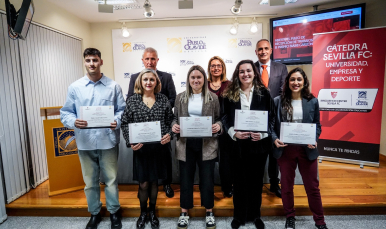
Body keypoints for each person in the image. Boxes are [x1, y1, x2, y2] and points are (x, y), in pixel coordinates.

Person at [60, 48, 125, 229]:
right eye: (88, 60)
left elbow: (122, 110)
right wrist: (74, 121)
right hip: (85, 142)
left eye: (95, 60)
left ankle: (114, 212)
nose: (92, 64)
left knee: (111, 180)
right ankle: (94, 213)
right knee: (90, 181)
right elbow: (65, 113)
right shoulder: (75, 87)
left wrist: (116, 121)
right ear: (84, 62)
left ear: (101, 62)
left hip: (108, 140)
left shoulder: (113, 86)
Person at [272, 67, 328, 229]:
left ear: (304, 82)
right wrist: (275, 139)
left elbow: (317, 125)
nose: (295, 83)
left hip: (307, 149)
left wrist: (314, 138)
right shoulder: (278, 101)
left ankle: (320, 221)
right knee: (287, 187)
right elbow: (272, 125)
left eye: (299, 79)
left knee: (312, 187)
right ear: (287, 82)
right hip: (286, 150)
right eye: (292, 79)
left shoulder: (313, 101)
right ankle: (290, 216)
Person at [222, 60, 275, 229]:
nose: (245, 74)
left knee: (256, 182)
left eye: (248, 71)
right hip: (237, 145)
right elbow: (225, 117)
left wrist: (264, 133)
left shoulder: (264, 93)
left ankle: (255, 215)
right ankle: (239, 216)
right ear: (237, 74)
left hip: (258, 145)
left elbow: (271, 118)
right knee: (239, 182)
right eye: (242, 71)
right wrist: (233, 132)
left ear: (254, 73)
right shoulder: (229, 94)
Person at [121, 68, 174, 229]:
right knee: (143, 183)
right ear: (140, 82)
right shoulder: (132, 101)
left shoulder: (163, 99)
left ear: (157, 82)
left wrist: (170, 134)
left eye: (152, 79)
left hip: (159, 148)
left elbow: (171, 120)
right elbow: (124, 123)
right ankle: (143, 213)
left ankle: (152, 213)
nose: (149, 82)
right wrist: (130, 141)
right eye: (145, 80)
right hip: (141, 150)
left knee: (154, 183)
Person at [172, 65, 222, 229]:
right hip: (185, 144)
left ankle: (209, 212)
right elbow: (173, 119)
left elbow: (220, 118)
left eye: (199, 77)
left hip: (206, 144)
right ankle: (184, 212)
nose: (195, 80)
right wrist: (174, 126)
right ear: (188, 79)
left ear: (204, 79)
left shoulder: (213, 98)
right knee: (185, 179)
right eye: (192, 77)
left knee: (207, 179)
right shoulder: (180, 97)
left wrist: (218, 126)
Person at [127, 47, 177, 198]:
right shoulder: (135, 77)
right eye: (147, 59)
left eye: (153, 58)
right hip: (142, 128)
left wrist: (158, 109)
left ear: (157, 60)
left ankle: (167, 183)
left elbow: (173, 98)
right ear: (142, 60)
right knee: (143, 162)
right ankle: (143, 186)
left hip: (161, 128)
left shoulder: (166, 77)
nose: (150, 61)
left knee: (165, 158)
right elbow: (130, 99)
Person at [254, 38, 288, 198]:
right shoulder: (251, 68)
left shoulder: (281, 68)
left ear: (271, 50)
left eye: (266, 48)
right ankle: (256, 184)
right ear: (256, 52)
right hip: (255, 117)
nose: (263, 51)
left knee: (275, 152)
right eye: (260, 49)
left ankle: (275, 183)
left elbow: (284, 92)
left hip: (275, 116)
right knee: (257, 153)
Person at [206, 56, 233, 198]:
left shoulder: (229, 85)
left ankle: (227, 186)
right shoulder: (203, 84)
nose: (216, 68)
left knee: (225, 160)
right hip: (206, 127)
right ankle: (207, 187)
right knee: (208, 159)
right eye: (213, 65)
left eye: (219, 65)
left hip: (225, 127)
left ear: (223, 68)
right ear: (209, 68)